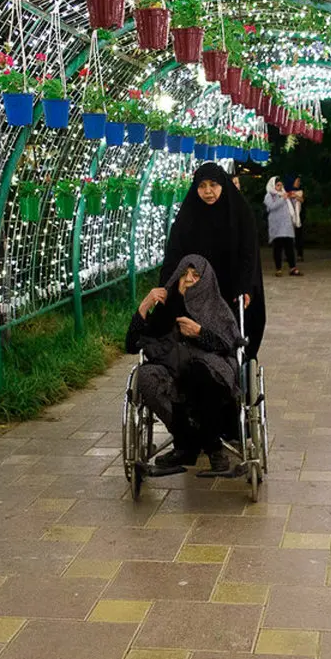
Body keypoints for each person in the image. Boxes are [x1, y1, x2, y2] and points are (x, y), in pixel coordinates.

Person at [127, 255, 244, 473]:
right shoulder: (166, 306)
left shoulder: (215, 307)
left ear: (206, 280)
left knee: (195, 373)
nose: (188, 279)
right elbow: (132, 345)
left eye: (195, 275)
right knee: (146, 375)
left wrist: (200, 333)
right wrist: (145, 305)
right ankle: (187, 441)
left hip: (210, 366)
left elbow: (230, 346)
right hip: (171, 365)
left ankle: (209, 447)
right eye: (184, 273)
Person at [160, 162, 266, 359]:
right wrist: (166, 287)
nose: (208, 191)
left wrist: (245, 287)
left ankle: (235, 363)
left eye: (213, 185)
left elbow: (248, 255)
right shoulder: (188, 216)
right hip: (197, 290)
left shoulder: (240, 214)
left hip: (231, 288)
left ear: (223, 185)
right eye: (202, 186)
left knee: (234, 329)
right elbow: (174, 254)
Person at [264, 177, 302, 277]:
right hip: (276, 226)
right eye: (278, 185)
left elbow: (292, 206)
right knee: (278, 248)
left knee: (289, 247)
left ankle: (293, 268)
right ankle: (278, 269)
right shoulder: (269, 195)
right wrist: (283, 198)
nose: (280, 187)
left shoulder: (284, 194)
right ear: (273, 185)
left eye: (281, 185)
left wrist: (295, 198)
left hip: (287, 225)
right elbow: (272, 206)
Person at [284, 175, 305, 261]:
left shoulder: (300, 191)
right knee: (288, 238)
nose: (298, 183)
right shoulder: (285, 191)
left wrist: (295, 196)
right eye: (297, 181)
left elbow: (302, 200)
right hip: (287, 218)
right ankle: (288, 255)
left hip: (298, 218)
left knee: (298, 237)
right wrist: (289, 195)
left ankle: (300, 254)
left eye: (299, 181)